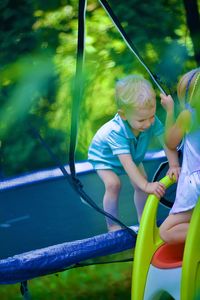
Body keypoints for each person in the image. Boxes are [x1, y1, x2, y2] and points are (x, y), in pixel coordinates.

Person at [88, 74, 179, 231]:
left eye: (151, 117)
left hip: (133, 153)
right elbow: (127, 163)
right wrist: (146, 186)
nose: (148, 123)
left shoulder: (150, 120)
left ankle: (143, 219)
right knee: (113, 184)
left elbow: (166, 141)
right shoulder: (116, 132)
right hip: (105, 158)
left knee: (142, 178)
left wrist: (174, 164)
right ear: (123, 115)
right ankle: (113, 225)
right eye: (142, 120)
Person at [159, 68, 200, 244]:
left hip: (196, 186)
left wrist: (169, 111)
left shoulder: (188, 115)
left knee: (167, 231)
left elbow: (170, 141)